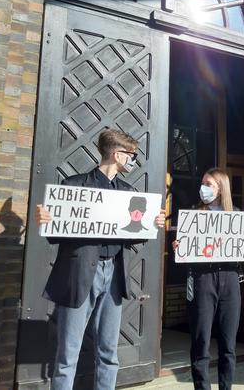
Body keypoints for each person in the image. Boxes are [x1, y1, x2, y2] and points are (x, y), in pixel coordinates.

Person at [35, 129, 165, 390]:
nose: (133, 161)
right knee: (67, 355)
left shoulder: (129, 193)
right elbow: (56, 233)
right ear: (118, 155)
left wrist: (152, 224)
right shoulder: (74, 186)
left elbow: (131, 233)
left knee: (108, 353)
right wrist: (47, 221)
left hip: (114, 275)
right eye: (132, 156)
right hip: (80, 275)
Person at [172, 168, 244, 390]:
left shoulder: (236, 215)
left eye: (208, 184)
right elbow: (186, 247)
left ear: (221, 188)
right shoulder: (195, 214)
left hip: (230, 280)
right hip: (203, 278)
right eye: (203, 183)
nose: (203, 187)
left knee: (228, 344)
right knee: (201, 341)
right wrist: (180, 246)